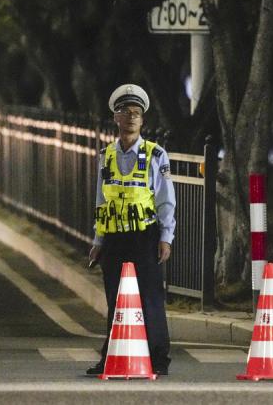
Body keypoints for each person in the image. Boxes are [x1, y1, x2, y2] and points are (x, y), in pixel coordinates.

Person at [86, 84, 176, 376]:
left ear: (142, 120)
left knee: (150, 297)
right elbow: (101, 200)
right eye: (126, 112)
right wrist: (98, 240)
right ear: (116, 118)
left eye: (136, 113)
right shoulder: (106, 155)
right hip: (114, 237)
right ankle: (110, 356)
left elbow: (165, 200)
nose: (131, 118)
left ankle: (158, 357)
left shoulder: (155, 155)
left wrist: (166, 237)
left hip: (144, 236)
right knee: (115, 299)